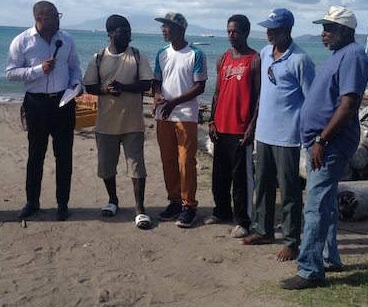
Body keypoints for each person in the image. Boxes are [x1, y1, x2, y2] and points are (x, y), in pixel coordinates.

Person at [279, 6, 368, 289]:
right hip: (321, 142)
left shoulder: (353, 56)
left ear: (344, 31)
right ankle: (329, 258)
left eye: (329, 28)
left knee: (316, 205)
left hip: (329, 143)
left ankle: (310, 270)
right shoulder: (339, 56)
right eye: (323, 28)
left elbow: (348, 105)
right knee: (327, 204)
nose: (323, 34)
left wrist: (321, 140)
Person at [242, 8, 315, 261]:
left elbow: (311, 100)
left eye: (275, 29)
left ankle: (291, 241)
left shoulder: (301, 60)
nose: (269, 33)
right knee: (262, 185)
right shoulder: (265, 53)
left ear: (289, 30)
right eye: (268, 28)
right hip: (264, 133)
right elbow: (264, 91)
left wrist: (309, 135)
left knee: (289, 190)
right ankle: (263, 231)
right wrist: (253, 123)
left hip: (288, 136)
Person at [6, 1, 82, 221]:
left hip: (64, 102)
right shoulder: (22, 41)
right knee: (36, 154)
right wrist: (39, 70)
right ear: (39, 18)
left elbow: (74, 67)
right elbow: (11, 73)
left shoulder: (66, 39)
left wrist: (76, 85)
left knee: (64, 155)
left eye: (58, 15)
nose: (58, 19)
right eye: (53, 16)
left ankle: (62, 203)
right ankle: (32, 201)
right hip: (36, 104)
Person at [82, 15, 154, 229]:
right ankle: (113, 200)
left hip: (133, 123)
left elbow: (146, 83)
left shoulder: (138, 56)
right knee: (106, 166)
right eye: (123, 30)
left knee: (136, 167)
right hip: (105, 123)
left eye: (129, 30)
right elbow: (90, 87)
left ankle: (140, 209)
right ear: (111, 33)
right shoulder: (98, 58)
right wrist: (107, 90)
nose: (128, 34)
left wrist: (123, 87)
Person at [206, 14, 260, 238]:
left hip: (240, 129)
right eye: (228, 31)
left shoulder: (254, 59)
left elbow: (258, 97)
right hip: (221, 126)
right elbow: (217, 92)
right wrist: (211, 119)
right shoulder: (223, 59)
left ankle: (244, 221)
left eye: (235, 31)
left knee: (241, 179)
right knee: (219, 175)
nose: (231, 35)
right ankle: (222, 211)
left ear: (246, 32)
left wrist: (251, 127)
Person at [153, 12, 207, 228]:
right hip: (163, 114)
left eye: (169, 26)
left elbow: (199, 86)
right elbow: (156, 81)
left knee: (186, 161)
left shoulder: (195, 53)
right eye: (163, 26)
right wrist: (157, 95)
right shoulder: (161, 53)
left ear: (181, 29)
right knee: (167, 159)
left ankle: (188, 205)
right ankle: (174, 200)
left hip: (185, 115)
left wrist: (174, 101)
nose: (164, 30)